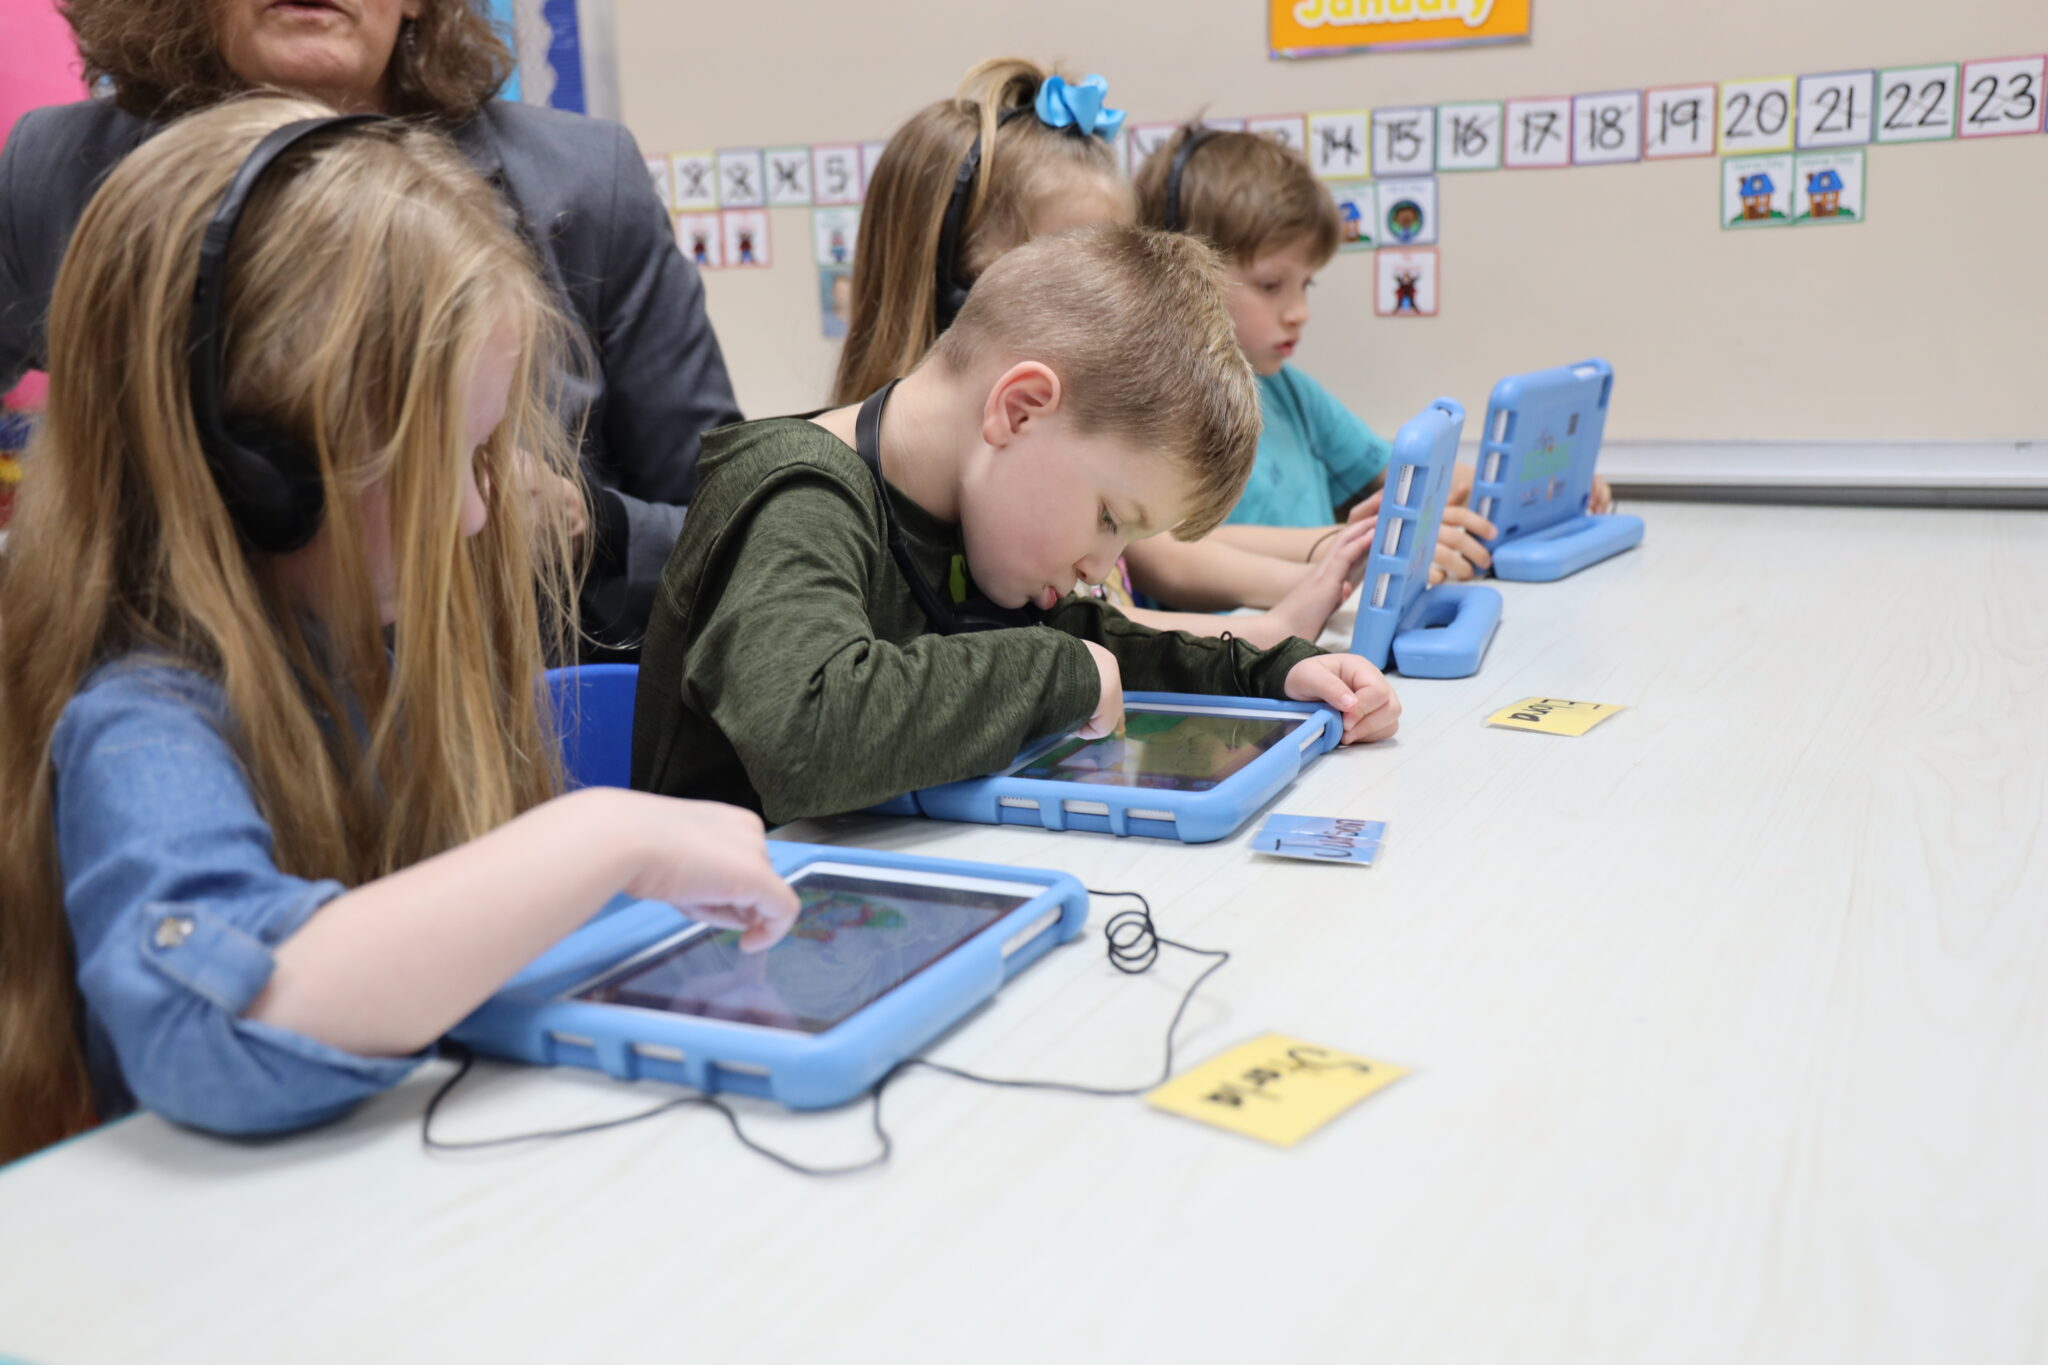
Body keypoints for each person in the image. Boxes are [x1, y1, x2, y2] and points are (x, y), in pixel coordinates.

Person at [0, 99, 798, 1165]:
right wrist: (606, 836)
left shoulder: (381, 659)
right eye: (448, 465)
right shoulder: (145, 716)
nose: (478, 516)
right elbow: (215, 1026)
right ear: (258, 467)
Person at [0, 0, 737, 653]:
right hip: (174, 691)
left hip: (505, 720)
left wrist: (589, 526)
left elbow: (738, 537)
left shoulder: (584, 182)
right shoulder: (56, 171)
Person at [633, 224, 1401, 822]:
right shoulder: (795, 495)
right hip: (715, 956)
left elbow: (1103, 644)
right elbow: (807, 732)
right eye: (1108, 517)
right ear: (1021, 408)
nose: (1102, 566)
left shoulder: (966, 520)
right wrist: (1058, 670)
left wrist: (1269, 673)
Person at [834, 58, 1372, 648]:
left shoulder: (1047, 473)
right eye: (1075, 263)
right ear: (966, 291)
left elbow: (1099, 621)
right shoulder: (926, 501)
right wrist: (1266, 630)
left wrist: (1284, 618)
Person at [1133, 126, 1605, 582]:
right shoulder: (1154, 403)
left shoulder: (1286, 389)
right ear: (1179, 272)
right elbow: (1168, 558)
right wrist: (1348, 548)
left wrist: (1546, 484)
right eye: (1271, 285)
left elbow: (1413, 477)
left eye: (1306, 284)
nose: (1299, 312)